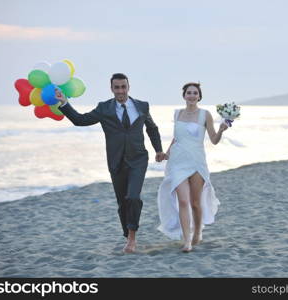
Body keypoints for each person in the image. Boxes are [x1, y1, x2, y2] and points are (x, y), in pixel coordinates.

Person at [56, 73, 165, 253]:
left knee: (133, 197)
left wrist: (158, 150)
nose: (120, 91)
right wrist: (64, 102)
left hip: (138, 159)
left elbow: (151, 128)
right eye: (117, 87)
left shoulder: (142, 106)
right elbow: (80, 120)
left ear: (128, 87)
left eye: (123, 87)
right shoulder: (104, 108)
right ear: (111, 89)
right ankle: (127, 233)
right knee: (122, 202)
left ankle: (132, 238)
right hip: (116, 161)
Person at [157, 82, 228, 252]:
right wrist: (166, 154)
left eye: (195, 93)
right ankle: (187, 240)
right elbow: (176, 138)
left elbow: (214, 140)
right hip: (177, 162)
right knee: (182, 200)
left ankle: (197, 232)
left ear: (199, 96)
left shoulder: (205, 115)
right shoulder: (177, 114)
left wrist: (221, 130)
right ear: (184, 96)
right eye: (188, 93)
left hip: (197, 162)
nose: (191, 95)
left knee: (196, 203)